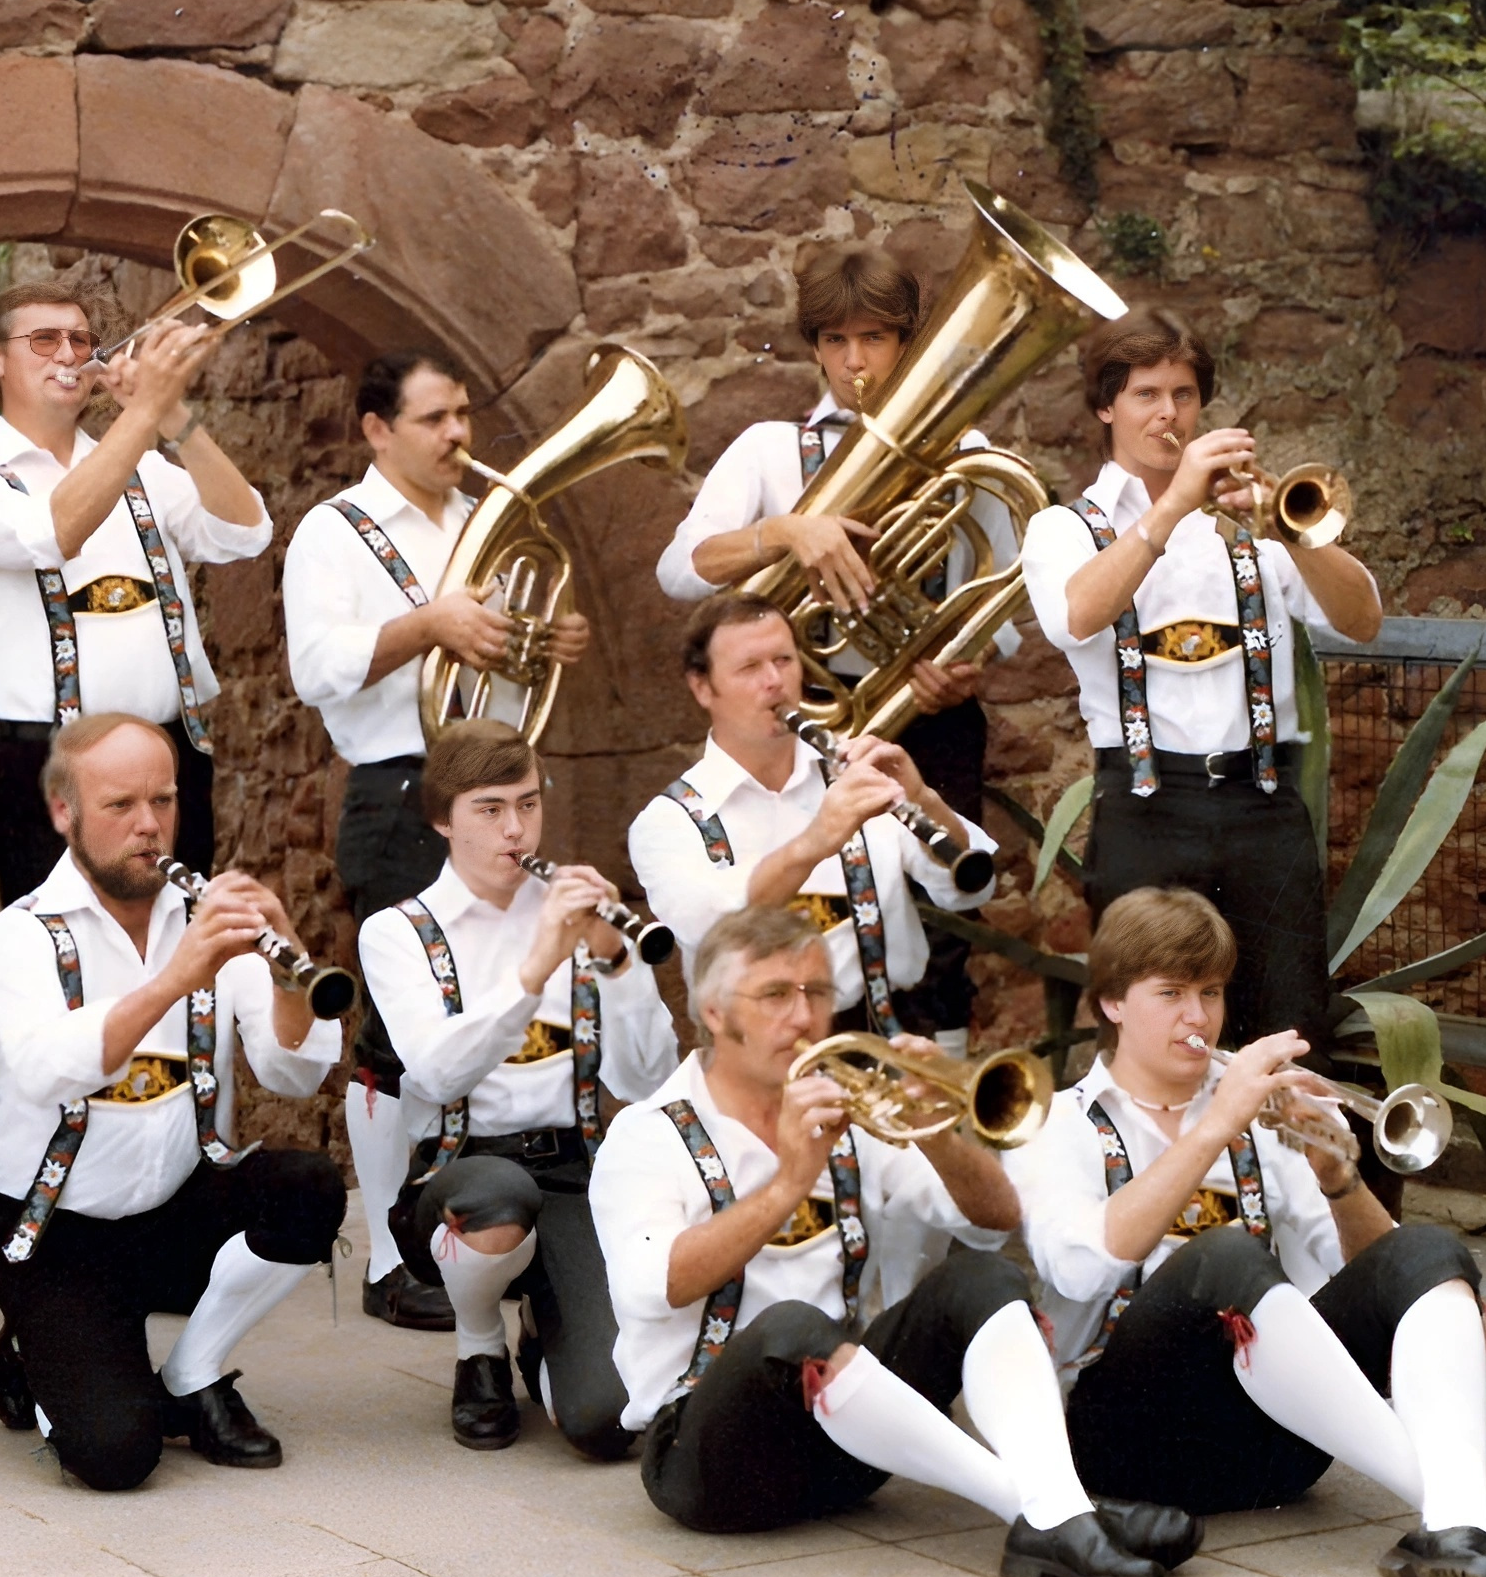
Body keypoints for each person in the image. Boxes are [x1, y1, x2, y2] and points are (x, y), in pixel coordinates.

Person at [1004, 887, 1486, 1577]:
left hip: (1280, 1454)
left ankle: (1457, 1523)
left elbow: (1345, 1290)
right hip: (1130, 1445)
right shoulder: (1057, 1126)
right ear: (1111, 1003)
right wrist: (1212, 1129)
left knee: (1425, 1249)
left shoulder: (1259, 1114)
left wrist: (1339, 1177)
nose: (1197, 1017)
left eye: (1209, 992)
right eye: (1169, 993)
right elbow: (1079, 1270)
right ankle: (1483, 1515)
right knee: (1225, 1256)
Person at [589, 905, 1190, 1577]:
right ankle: (1051, 1511)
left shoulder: (848, 1112)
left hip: (850, 1447)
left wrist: (932, 1129)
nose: (805, 1015)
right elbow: (650, 1286)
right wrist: (788, 1180)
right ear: (717, 1013)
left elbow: (993, 1219)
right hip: (710, 1465)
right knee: (789, 1325)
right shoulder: (648, 1135)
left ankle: (1057, 1509)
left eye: (818, 993)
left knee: (982, 1277)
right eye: (777, 995)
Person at [283, 351, 594, 1329]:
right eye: (434, 419)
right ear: (378, 429)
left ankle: (471, 1231)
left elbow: (502, 662)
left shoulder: (479, 522)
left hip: (492, 784)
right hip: (399, 787)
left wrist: (545, 641)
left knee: (496, 998)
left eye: (463, 413)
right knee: (395, 1031)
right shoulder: (333, 532)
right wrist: (429, 622)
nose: (459, 434)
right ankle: (385, 1253)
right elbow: (315, 667)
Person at [655, 241, 1013, 1051]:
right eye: (836, 341)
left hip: (925, 721)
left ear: (906, 344)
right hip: (799, 719)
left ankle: (930, 1105)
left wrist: (965, 667)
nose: (856, 363)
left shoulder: (967, 452)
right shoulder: (768, 451)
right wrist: (785, 531)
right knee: (803, 918)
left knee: (941, 934)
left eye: (876, 340)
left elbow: (1005, 608)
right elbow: (681, 568)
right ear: (814, 347)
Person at [0, 713, 346, 1491]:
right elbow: (46, 1070)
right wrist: (173, 979)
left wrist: (286, 975)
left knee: (307, 1186)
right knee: (115, 1457)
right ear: (62, 812)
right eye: (120, 806)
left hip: (175, 1210)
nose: (150, 826)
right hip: (56, 1230)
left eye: (164, 801)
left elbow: (293, 1074)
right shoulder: (20, 935)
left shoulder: (206, 918)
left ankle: (193, 1373)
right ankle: (34, 1344)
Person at [1018, 309, 1384, 1059]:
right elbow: (1075, 617)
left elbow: (1363, 618)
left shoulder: (1250, 528)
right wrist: (1174, 502)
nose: (1169, 413)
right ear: (1104, 405)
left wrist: (1289, 532)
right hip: (1146, 811)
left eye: (1184, 394)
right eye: (1146, 394)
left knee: (1285, 1032)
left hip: (1265, 810)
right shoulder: (1064, 528)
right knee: (1153, 1042)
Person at [356, 719, 676, 1454]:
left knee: (605, 1423)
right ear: (443, 819)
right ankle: (479, 1347)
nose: (516, 830)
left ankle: (544, 1329)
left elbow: (651, 1080)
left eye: (528, 805)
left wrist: (618, 965)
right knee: (498, 1198)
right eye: (490, 809)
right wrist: (536, 969)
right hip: (462, 1171)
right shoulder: (399, 931)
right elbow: (437, 1074)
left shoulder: (583, 913)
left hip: (575, 1170)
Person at [0, 284, 268, 903]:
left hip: (170, 759)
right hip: (46, 771)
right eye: (44, 340)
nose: (69, 353)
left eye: (80, 340)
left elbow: (245, 533)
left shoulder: (145, 467)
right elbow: (58, 530)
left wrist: (173, 418)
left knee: (182, 953)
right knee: (62, 970)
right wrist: (142, 417)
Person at [629, 592, 996, 1043]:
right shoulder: (667, 823)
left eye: (784, 660)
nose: (774, 682)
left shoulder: (851, 771)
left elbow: (966, 888)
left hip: (884, 1041)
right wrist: (814, 841)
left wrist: (923, 799)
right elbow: (710, 930)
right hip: (757, 1063)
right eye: (749, 668)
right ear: (702, 687)